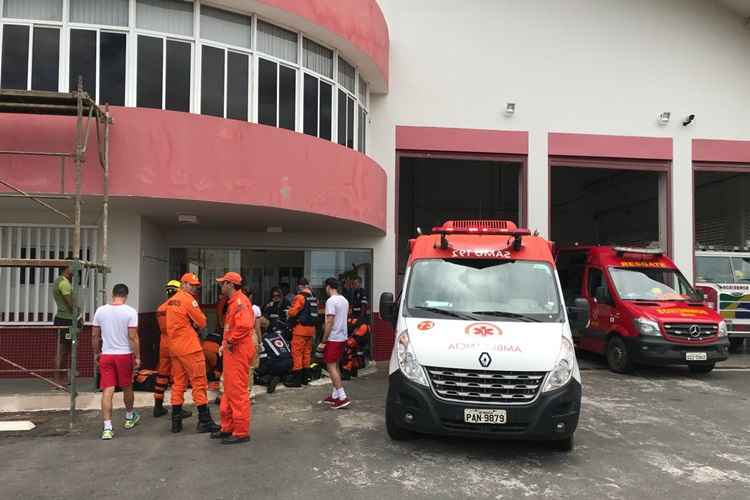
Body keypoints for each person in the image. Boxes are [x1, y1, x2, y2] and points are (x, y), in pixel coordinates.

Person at [165, 273, 220, 434]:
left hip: (174, 347)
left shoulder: (170, 301)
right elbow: (202, 322)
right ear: (183, 284)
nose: (195, 288)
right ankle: (204, 420)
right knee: (199, 383)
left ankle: (176, 422)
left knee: (178, 383)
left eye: (196, 286)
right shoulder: (189, 300)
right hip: (190, 348)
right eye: (192, 285)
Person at [91, 284, 140, 440]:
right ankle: (129, 416)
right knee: (127, 386)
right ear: (126, 295)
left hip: (107, 354)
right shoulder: (130, 312)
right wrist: (137, 356)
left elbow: (94, 336)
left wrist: (97, 353)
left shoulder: (100, 311)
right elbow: (133, 337)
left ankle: (107, 427)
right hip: (124, 354)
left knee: (108, 390)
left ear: (113, 294)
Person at [211, 272, 255, 444]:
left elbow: (244, 325)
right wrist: (225, 344)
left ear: (230, 284)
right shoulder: (235, 302)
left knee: (236, 392)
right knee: (228, 391)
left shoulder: (239, 302)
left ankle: (241, 432)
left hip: (238, 351)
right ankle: (227, 427)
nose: (221, 286)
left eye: (222, 283)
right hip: (233, 351)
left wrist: (229, 341)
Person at [153, 280, 192, 419]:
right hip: (176, 342)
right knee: (179, 376)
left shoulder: (160, 308)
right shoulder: (178, 307)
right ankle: (177, 408)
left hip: (163, 343)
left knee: (162, 375)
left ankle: (158, 406)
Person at [318, 278, 351, 409]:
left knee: (330, 366)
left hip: (333, 338)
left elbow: (329, 321)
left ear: (328, 287)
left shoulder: (331, 301)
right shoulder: (344, 300)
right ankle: (335, 395)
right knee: (335, 365)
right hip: (342, 337)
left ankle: (342, 397)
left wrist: (323, 341)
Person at [284, 278, 319, 387]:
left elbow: (294, 312)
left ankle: (297, 380)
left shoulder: (299, 297)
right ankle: (306, 378)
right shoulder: (313, 298)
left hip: (300, 330)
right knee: (307, 353)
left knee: (297, 354)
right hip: (311, 330)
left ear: (300, 286)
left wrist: (288, 311)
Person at [52, 264, 75, 386]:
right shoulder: (64, 283)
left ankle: (63, 378)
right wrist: (78, 314)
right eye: (72, 267)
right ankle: (57, 380)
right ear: (66, 268)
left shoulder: (61, 281)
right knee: (61, 351)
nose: (74, 269)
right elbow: (70, 304)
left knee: (66, 350)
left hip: (65, 319)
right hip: (65, 320)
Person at [255, 320, 292, 393]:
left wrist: (258, 371)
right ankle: (283, 377)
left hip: (277, 364)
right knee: (280, 365)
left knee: (257, 374)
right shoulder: (279, 335)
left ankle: (269, 379)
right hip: (289, 362)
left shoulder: (263, 340)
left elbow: (263, 358)